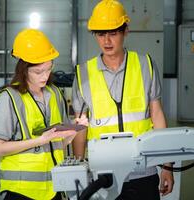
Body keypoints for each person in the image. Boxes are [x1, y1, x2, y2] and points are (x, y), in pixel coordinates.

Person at [72, 0, 174, 199]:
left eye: (113, 33)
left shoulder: (146, 65)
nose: (107, 41)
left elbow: (157, 115)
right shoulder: (83, 73)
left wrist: (167, 166)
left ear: (126, 30)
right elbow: (80, 127)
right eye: (101, 34)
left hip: (144, 171)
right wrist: (78, 167)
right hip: (102, 175)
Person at [0, 28, 84, 200]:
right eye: (38, 72)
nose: (45, 76)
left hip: (54, 189)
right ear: (24, 69)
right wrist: (40, 140)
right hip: (21, 191)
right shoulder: (9, 98)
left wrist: (73, 132)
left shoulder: (55, 94)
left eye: (48, 69)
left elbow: (56, 145)